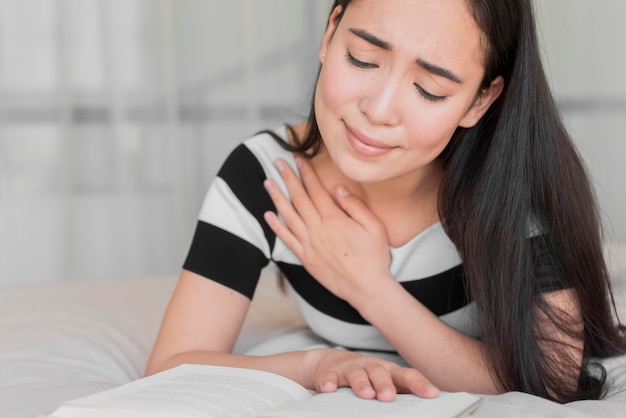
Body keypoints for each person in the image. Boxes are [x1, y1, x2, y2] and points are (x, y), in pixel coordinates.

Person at [146, 0, 626, 403]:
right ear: (331, 32)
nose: (376, 111)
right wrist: (317, 365)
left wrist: (369, 287)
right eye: (362, 59)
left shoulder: (508, 185)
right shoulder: (265, 177)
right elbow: (171, 365)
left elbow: (553, 377)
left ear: (480, 100)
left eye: (429, 89)